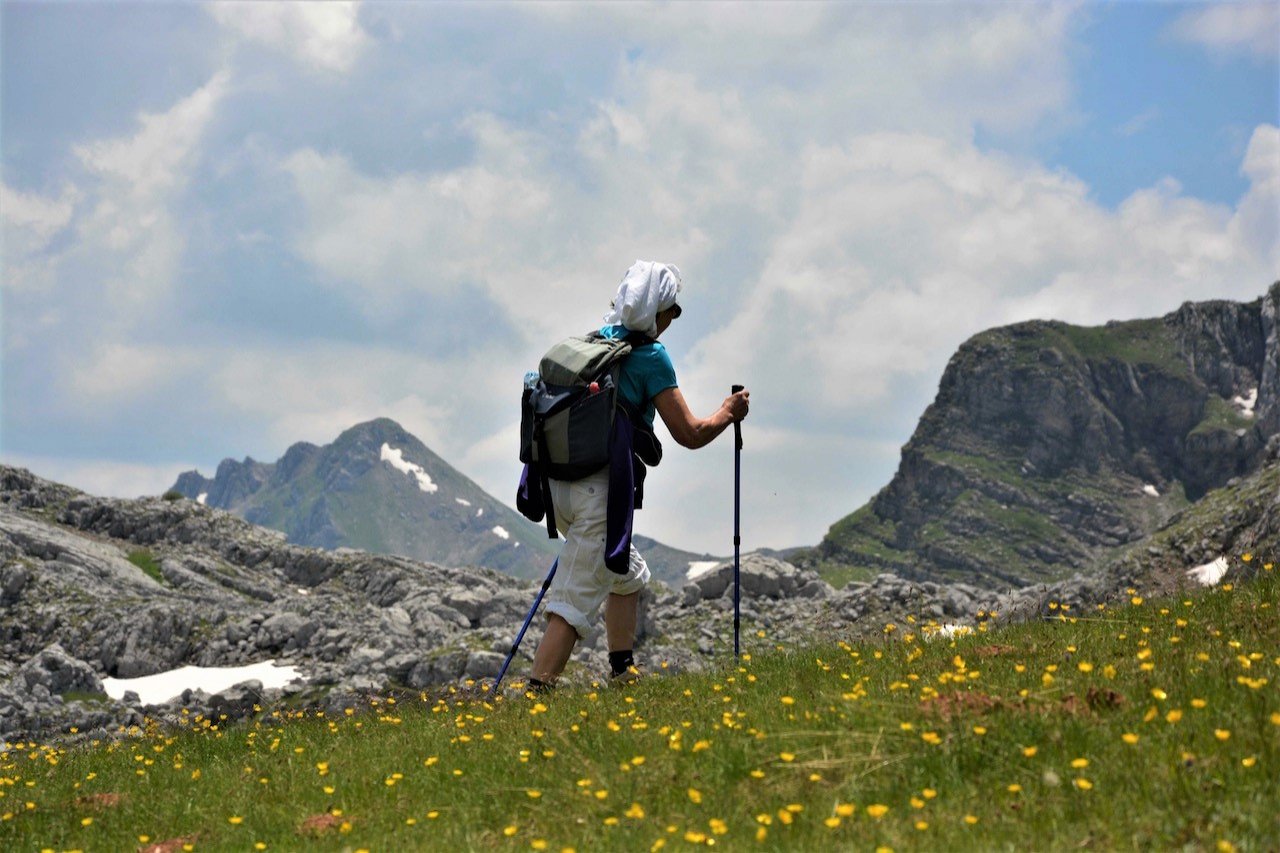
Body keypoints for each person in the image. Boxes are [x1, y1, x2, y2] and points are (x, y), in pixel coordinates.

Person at [527, 260, 750, 690]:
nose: (673, 319)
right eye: (673, 309)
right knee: (572, 602)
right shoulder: (650, 357)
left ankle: (622, 673)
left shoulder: (597, 343)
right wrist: (728, 412)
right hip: (598, 494)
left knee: (626, 574)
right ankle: (535, 698)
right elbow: (690, 433)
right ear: (656, 310)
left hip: (559, 488)